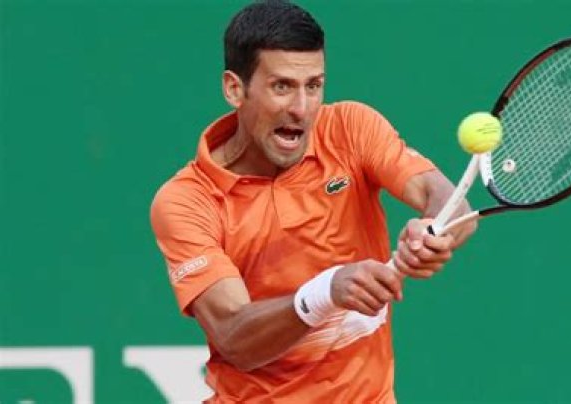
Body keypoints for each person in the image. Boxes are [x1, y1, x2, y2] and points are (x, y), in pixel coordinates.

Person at [150, 1, 477, 402]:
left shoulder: (350, 129)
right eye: (282, 87)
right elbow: (235, 336)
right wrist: (325, 292)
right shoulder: (187, 201)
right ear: (235, 89)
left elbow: (447, 201)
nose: (301, 109)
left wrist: (434, 231)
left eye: (314, 85)